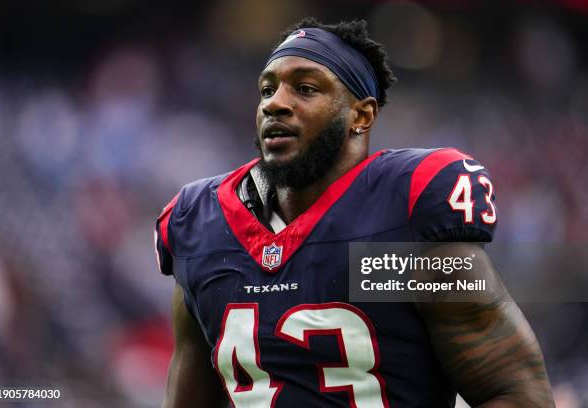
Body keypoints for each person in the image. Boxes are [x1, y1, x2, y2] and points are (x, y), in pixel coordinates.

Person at [155, 18, 555, 407]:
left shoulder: (403, 218)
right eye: (266, 90)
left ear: (360, 116)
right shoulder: (200, 225)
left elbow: (521, 396)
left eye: (306, 88)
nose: (275, 103)